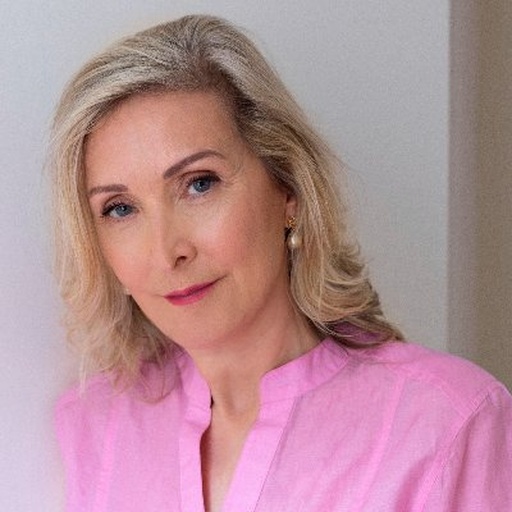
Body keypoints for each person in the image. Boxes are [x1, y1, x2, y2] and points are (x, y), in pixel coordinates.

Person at [50, 14, 512, 512]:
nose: (167, 251)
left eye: (200, 184)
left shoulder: (448, 423)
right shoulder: (98, 423)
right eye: (120, 209)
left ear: (287, 188)